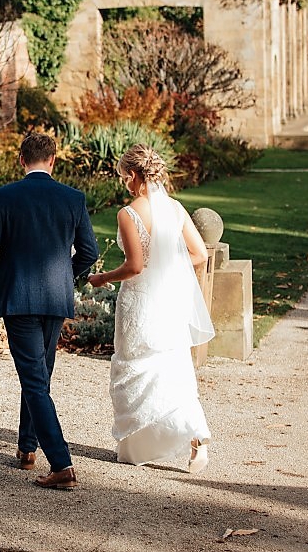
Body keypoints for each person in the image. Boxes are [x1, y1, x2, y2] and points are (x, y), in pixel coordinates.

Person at [0, 132, 99, 489]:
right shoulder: (72, 198)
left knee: (33, 379)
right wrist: (65, 278)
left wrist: (8, 277)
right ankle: (27, 447)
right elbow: (88, 253)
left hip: (21, 300)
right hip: (55, 300)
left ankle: (62, 464)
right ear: (53, 160)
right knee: (39, 376)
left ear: (21, 159)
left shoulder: (6, 196)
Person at [87, 144, 215, 473]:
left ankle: (137, 445)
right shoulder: (174, 208)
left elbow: (134, 266)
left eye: (122, 178)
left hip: (140, 302)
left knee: (136, 368)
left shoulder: (129, 213)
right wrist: (172, 271)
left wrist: (103, 277)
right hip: (169, 303)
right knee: (172, 368)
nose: (122, 184)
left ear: (133, 176)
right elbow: (200, 254)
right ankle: (196, 438)